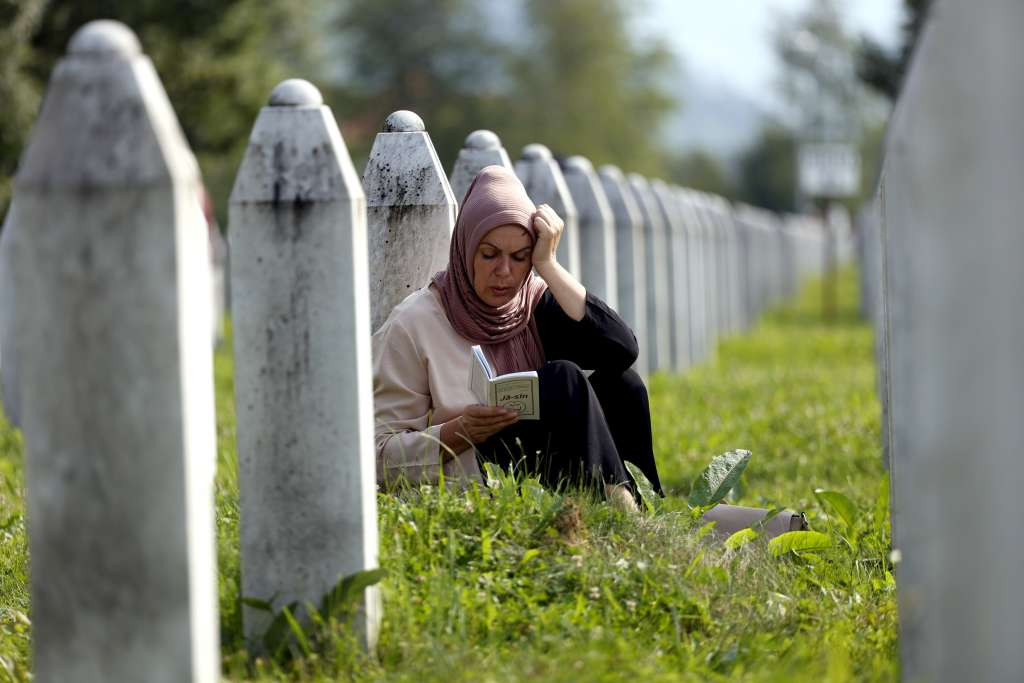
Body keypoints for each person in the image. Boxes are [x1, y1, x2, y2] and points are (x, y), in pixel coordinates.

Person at [372, 165, 663, 508]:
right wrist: (461, 430)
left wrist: (549, 265)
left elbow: (621, 349)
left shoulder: (530, 302)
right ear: (465, 249)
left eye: (519, 257)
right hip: (473, 472)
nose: (504, 272)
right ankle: (623, 510)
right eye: (489, 254)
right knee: (563, 379)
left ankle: (640, 503)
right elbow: (379, 456)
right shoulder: (413, 323)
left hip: (538, 462)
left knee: (623, 385)